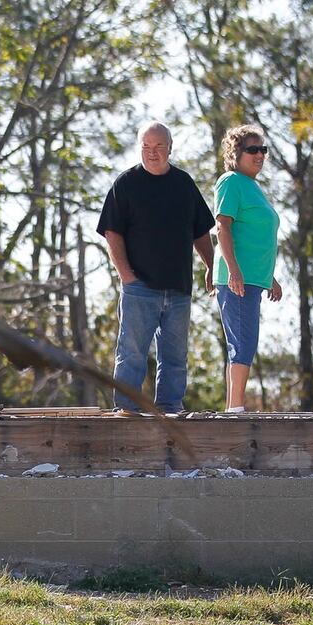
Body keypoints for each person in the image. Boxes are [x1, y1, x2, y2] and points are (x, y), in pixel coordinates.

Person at [97, 121, 216, 413]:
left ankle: (170, 412)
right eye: (146, 147)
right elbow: (111, 231)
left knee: (175, 357)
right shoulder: (126, 184)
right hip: (140, 289)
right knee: (132, 354)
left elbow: (201, 230)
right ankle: (126, 411)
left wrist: (212, 266)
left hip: (179, 289)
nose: (152, 152)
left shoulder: (184, 184)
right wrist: (127, 277)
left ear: (170, 148)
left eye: (159, 146)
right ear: (140, 148)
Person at [212, 123, 282, 413]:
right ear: (235, 153)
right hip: (237, 278)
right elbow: (222, 227)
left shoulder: (253, 188)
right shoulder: (231, 181)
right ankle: (236, 410)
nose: (259, 155)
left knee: (245, 341)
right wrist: (234, 271)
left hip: (254, 278)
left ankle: (233, 407)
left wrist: (271, 278)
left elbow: (254, 238)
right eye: (252, 149)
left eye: (262, 149)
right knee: (242, 342)